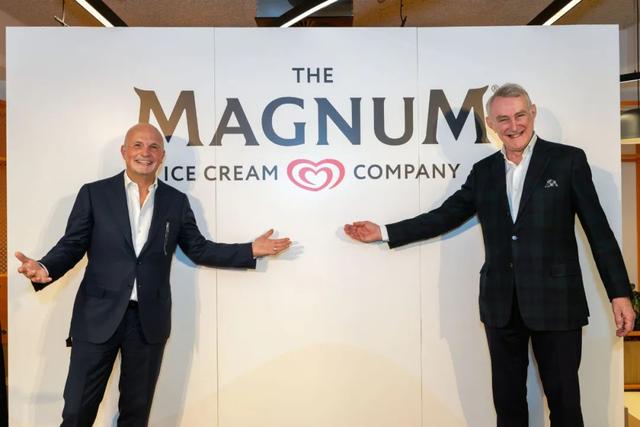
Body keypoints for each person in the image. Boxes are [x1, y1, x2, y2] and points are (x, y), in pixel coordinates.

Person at [344, 83, 635, 427]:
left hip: (557, 304)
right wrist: (385, 231)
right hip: (500, 306)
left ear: (532, 113)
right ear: (491, 124)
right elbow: (446, 215)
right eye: (503, 119)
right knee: (508, 408)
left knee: (566, 406)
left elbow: (599, 231)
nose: (514, 125)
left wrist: (619, 293)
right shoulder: (484, 172)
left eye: (520, 115)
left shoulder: (567, 160)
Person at [15, 123, 291, 426]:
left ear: (162, 156)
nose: (145, 152)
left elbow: (199, 249)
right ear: (124, 151)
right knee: (77, 411)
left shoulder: (176, 201)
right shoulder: (94, 194)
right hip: (96, 317)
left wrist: (250, 250)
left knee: (136, 414)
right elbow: (72, 244)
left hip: (148, 322)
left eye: (153, 147)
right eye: (137, 145)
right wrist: (44, 267)